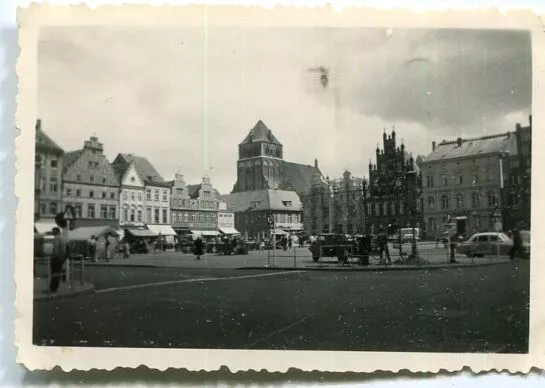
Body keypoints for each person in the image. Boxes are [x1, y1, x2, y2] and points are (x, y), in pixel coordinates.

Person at [49, 227, 69, 293]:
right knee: (57, 273)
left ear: (56, 231)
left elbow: (56, 250)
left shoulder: (56, 238)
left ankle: (52, 289)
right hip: (62, 257)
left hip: (56, 258)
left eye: (53, 231)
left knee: (54, 273)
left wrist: (52, 256)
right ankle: (55, 287)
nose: (52, 233)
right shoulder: (63, 238)